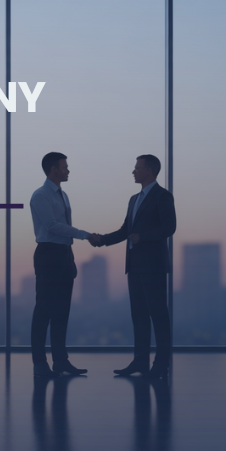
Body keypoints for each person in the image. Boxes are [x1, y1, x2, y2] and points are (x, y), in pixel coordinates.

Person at [91, 154, 176, 380]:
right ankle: (140, 362)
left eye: (137, 168)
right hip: (135, 266)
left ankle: (161, 364)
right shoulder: (133, 199)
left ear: (149, 171)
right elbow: (125, 230)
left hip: (154, 267)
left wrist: (143, 237)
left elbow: (169, 228)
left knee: (158, 316)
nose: (133, 171)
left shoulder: (163, 196)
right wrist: (102, 240)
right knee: (138, 315)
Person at [29, 152, 97, 378]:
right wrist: (84, 234)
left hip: (64, 254)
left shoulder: (63, 195)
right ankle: (40, 363)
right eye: (64, 167)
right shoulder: (40, 196)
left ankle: (60, 361)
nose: (68, 170)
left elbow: (61, 227)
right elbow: (51, 226)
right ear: (53, 169)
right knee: (44, 311)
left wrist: (71, 251)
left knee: (61, 312)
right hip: (48, 254)